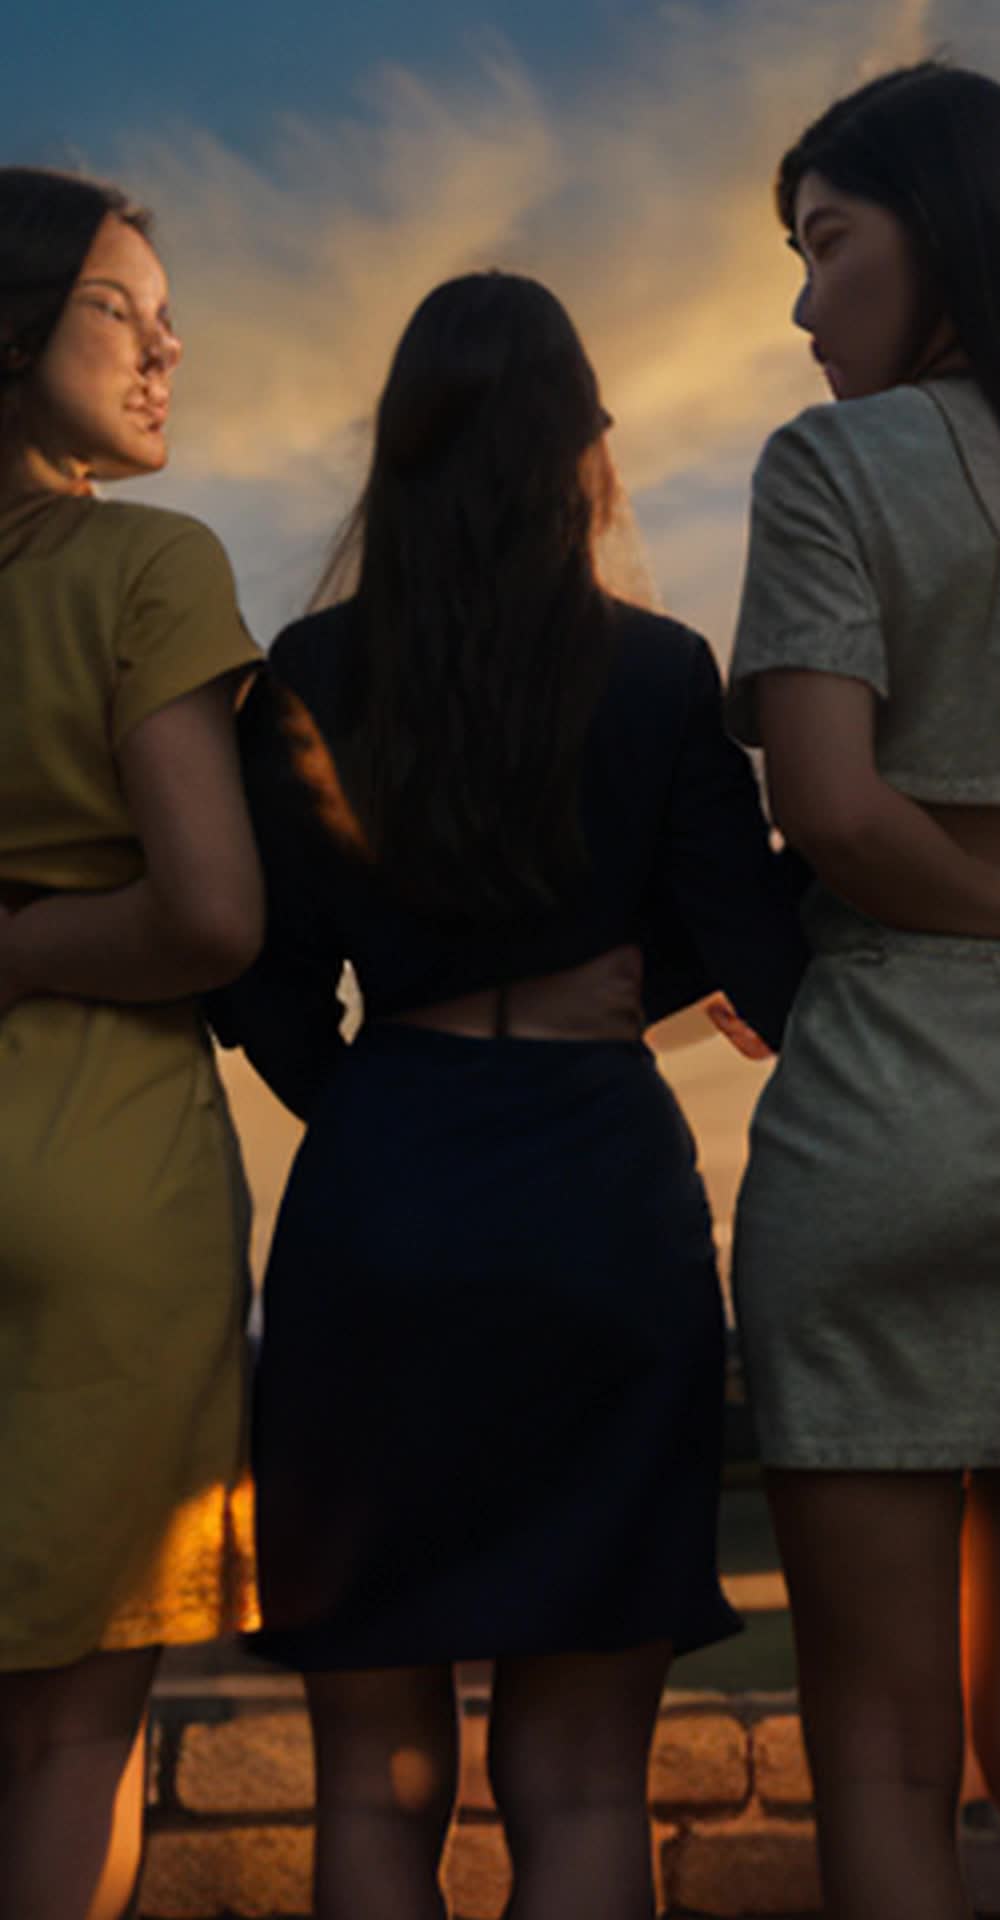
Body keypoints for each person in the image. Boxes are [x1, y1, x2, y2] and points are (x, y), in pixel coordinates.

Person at [209, 269, 807, 1920]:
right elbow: (757, 960)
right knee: (582, 1778)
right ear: (586, 452)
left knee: (371, 1782)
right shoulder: (659, 670)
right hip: (597, 1207)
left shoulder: (310, 670)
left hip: (381, 1204)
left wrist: (379, 1098)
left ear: (396, 454)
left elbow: (257, 985)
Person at [727, 62, 1000, 1920]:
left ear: (938, 233)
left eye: (827, 243)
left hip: (891, 1118)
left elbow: (832, 815)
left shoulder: (835, 467)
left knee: (876, 1738)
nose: (802, 304)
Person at [0, 168, 264, 1919]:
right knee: (65, 1748)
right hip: (104, 1183)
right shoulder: (145, 563)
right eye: (123, 307)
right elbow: (215, 914)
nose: (172, 345)